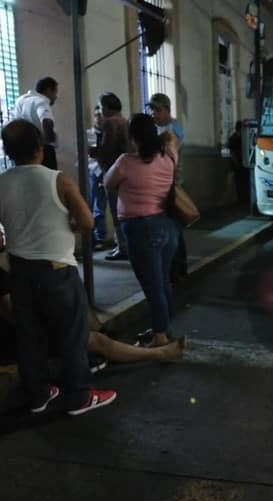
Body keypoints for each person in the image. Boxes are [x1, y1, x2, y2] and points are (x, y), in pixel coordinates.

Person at [0, 119, 116, 415]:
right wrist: (71, 225)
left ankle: (39, 394)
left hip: (20, 273)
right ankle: (79, 396)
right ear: (39, 147)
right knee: (71, 333)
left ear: (6, 150)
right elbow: (88, 222)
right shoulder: (59, 180)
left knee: (29, 334)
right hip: (56, 271)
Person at [0, 208, 187, 366]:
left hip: (19, 334)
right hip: (11, 344)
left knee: (74, 299)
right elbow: (17, 317)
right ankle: (159, 352)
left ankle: (111, 345)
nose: (1, 232)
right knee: (94, 338)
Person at [105, 113, 179, 348]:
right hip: (166, 226)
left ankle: (160, 335)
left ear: (133, 137)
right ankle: (165, 327)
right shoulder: (169, 157)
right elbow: (172, 140)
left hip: (140, 228)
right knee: (163, 281)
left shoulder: (126, 162)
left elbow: (108, 183)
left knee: (152, 285)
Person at [148, 93, 188, 285]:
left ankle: (178, 269)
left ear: (166, 109)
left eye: (157, 109)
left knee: (174, 229)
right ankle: (172, 269)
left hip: (172, 184)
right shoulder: (156, 127)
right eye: (152, 109)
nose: (154, 113)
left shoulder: (174, 129)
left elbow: (171, 156)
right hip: (160, 183)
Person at [92, 93, 130, 259]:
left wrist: (93, 151)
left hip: (113, 171)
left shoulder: (111, 123)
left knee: (116, 213)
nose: (99, 111)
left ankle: (122, 248)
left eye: (100, 107)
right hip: (126, 171)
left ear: (107, 107)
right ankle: (125, 245)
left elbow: (106, 150)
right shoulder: (124, 121)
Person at [13, 77, 58, 170]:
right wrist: (49, 139)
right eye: (55, 92)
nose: (56, 97)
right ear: (48, 90)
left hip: (23, 150)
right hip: (41, 150)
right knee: (48, 181)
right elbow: (47, 121)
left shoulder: (20, 100)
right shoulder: (42, 100)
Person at [87, 105, 107, 249]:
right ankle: (92, 237)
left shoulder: (109, 133)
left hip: (103, 172)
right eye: (97, 115)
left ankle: (100, 238)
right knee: (90, 204)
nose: (99, 118)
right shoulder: (89, 134)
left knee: (99, 207)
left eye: (101, 115)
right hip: (91, 172)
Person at [227, 120, 250, 204]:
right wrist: (236, 163)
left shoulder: (242, 138)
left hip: (243, 163)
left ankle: (245, 199)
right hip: (238, 164)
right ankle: (241, 200)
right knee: (239, 183)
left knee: (244, 182)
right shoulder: (234, 138)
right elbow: (232, 152)